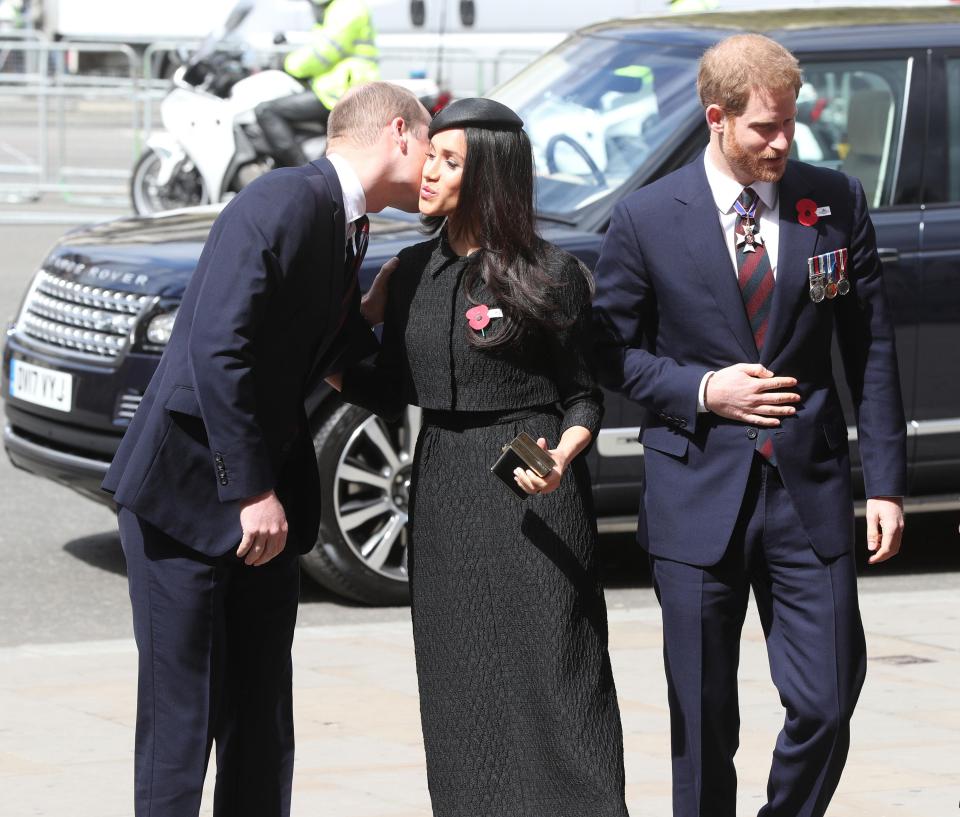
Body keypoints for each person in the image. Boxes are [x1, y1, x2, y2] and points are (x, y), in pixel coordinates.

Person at [592, 34, 906, 817]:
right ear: (717, 119)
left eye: (790, 123)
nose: (782, 142)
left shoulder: (834, 200)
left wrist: (889, 488)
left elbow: (870, 352)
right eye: (764, 127)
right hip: (698, 493)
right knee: (702, 723)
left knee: (829, 701)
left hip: (811, 493)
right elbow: (608, 352)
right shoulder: (645, 219)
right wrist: (703, 390)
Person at [101, 82, 431, 817]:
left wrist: (378, 322)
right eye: (433, 149)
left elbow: (327, 357)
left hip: (262, 512)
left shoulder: (349, 225)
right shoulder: (285, 199)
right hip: (185, 500)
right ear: (400, 134)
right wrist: (249, 490)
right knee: (182, 722)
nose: (437, 168)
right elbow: (220, 349)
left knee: (261, 720)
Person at [329, 98, 630, 817]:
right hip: (442, 487)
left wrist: (563, 452)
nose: (426, 171)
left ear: (490, 173)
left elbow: (585, 393)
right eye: (430, 155)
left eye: (449, 161)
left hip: (532, 484)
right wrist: (327, 338)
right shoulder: (406, 274)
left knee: (559, 670)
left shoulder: (550, 272)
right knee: (460, 675)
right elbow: (389, 385)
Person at [255, 0, 379, 168]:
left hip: (341, 91)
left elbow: (323, 52)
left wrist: (287, 64)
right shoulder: (338, 8)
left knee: (266, 111)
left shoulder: (348, 8)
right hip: (337, 87)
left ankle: (303, 169)